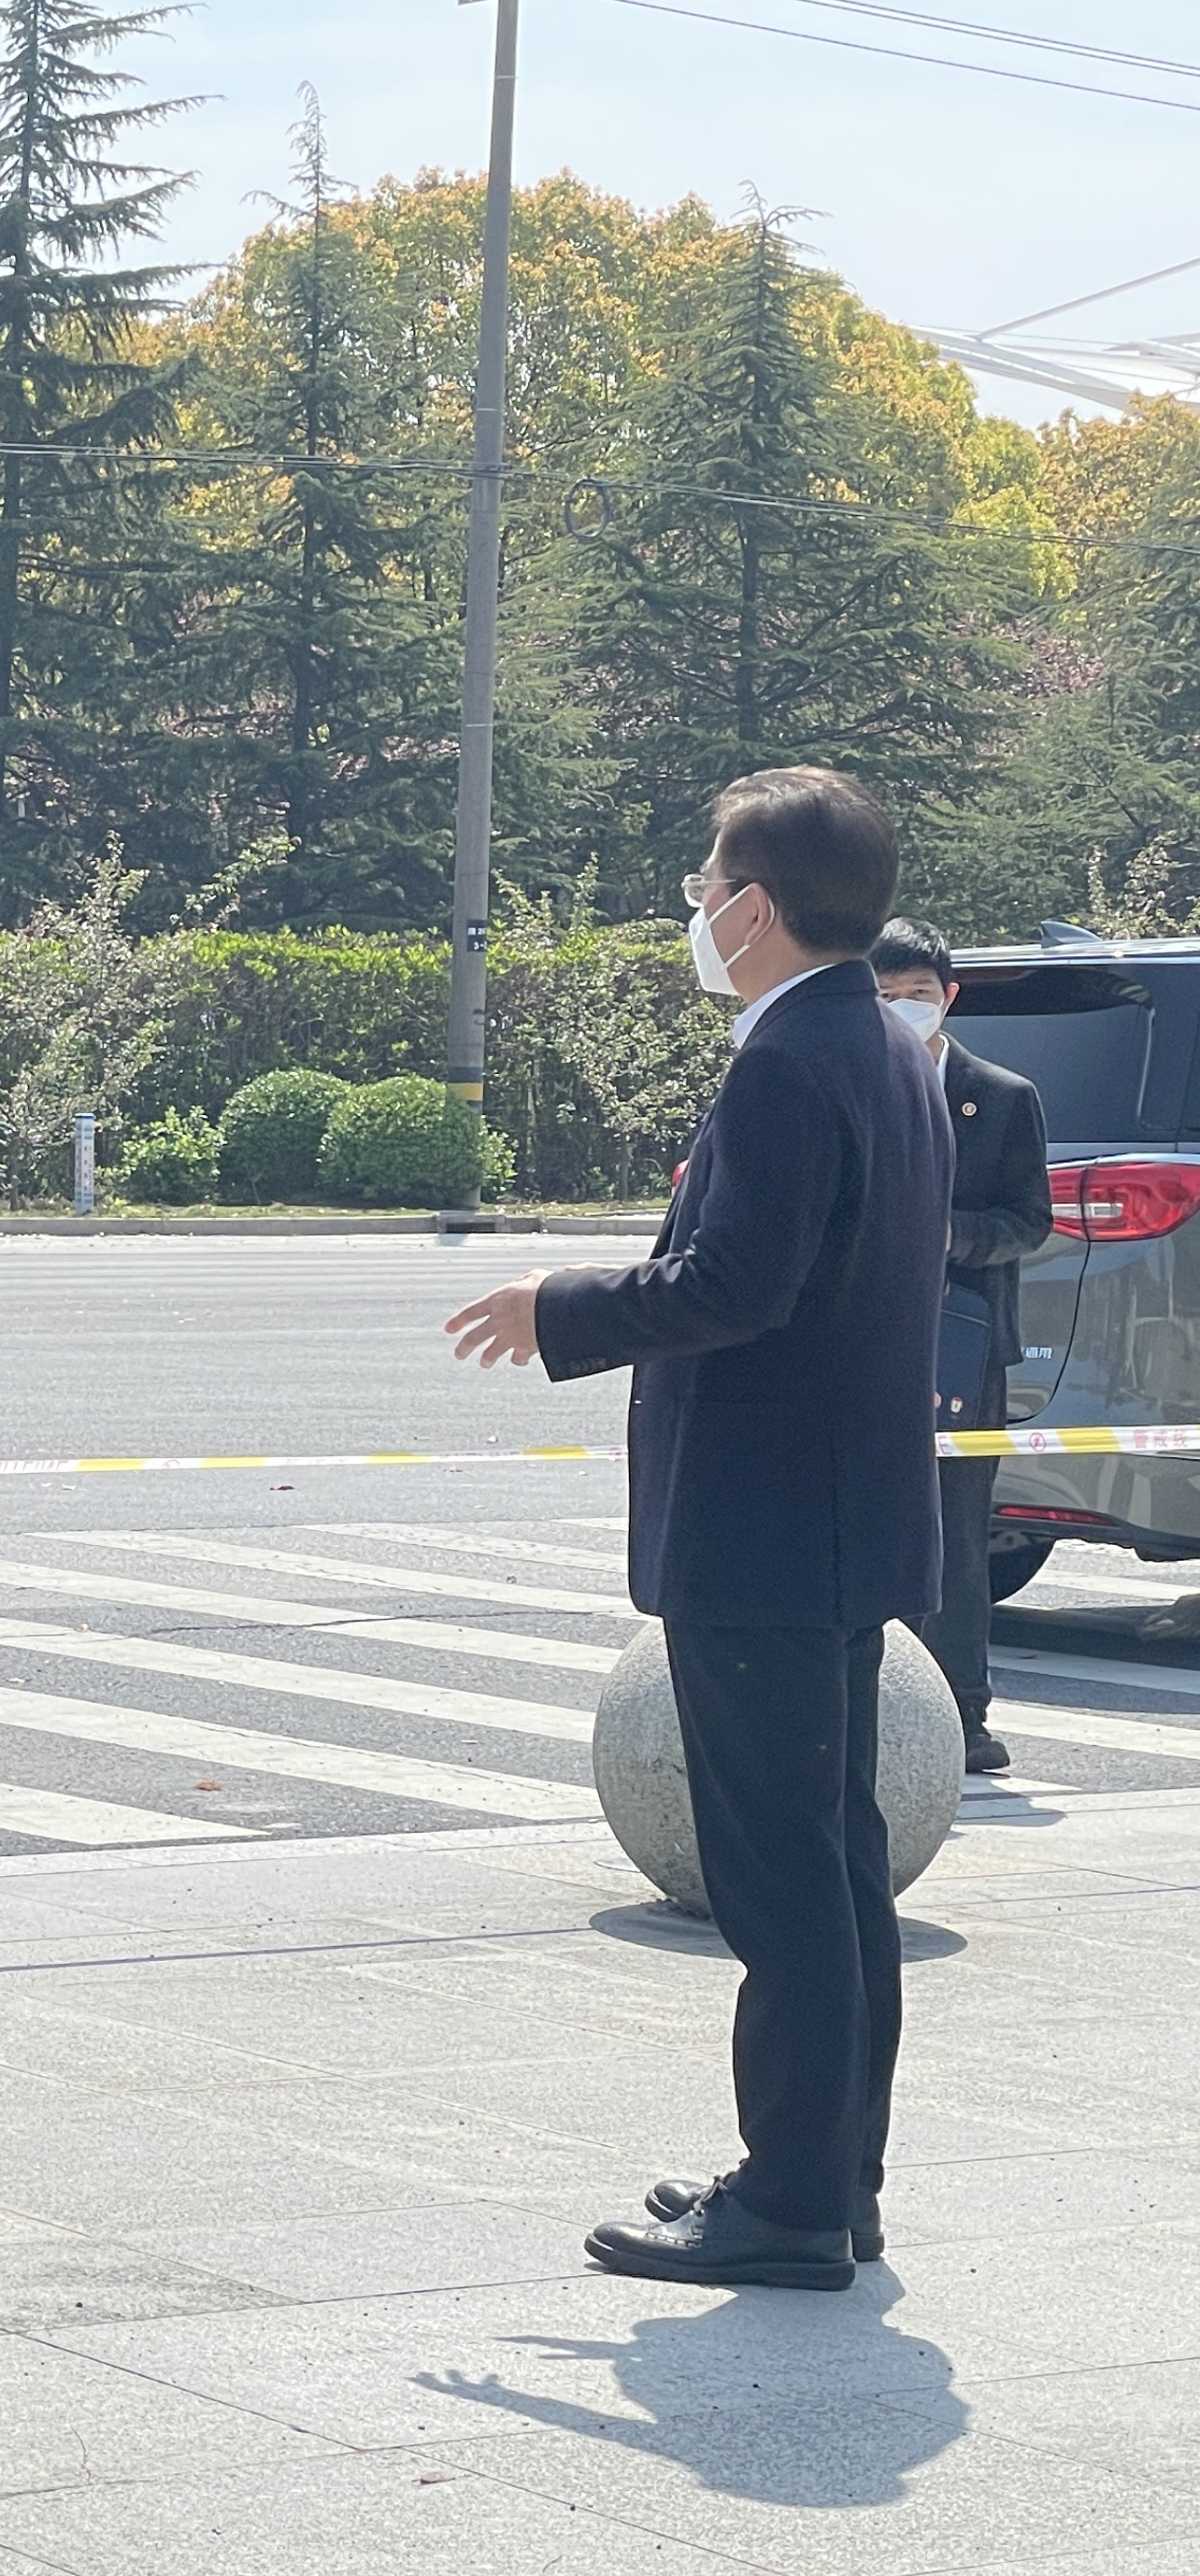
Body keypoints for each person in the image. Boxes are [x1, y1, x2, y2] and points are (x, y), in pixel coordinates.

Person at [447, 766, 948, 2292]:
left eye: (703, 886)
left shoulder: (792, 1059)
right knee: (835, 1867)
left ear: (755, 905)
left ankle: (789, 2202)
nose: (695, 910)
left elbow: (740, 1283)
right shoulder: (888, 1041)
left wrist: (561, 1305)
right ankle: (830, 2176)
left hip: (764, 1531)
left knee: (782, 1879)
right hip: (836, 1522)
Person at [868, 917, 1051, 1778]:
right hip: (860, 1340)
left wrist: (951, 1234)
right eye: (885, 994)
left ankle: (963, 1713)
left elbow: (1029, 1220)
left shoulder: (1001, 1096)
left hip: (962, 1346)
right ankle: (869, 1703)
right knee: (864, 1524)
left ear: (948, 997)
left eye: (917, 993)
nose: (902, 1007)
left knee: (955, 1532)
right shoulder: (848, 1081)